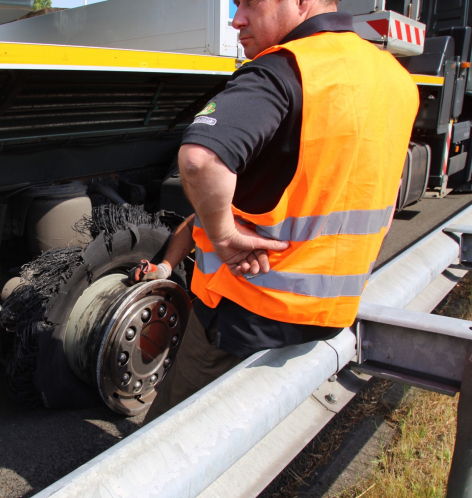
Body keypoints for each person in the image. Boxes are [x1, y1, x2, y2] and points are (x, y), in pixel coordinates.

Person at [133, 0, 419, 424]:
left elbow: (200, 160)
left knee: (173, 437)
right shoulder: (397, 79)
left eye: (251, 3)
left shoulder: (284, 69)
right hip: (331, 315)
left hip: (243, 314)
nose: (236, 19)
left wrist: (225, 237)